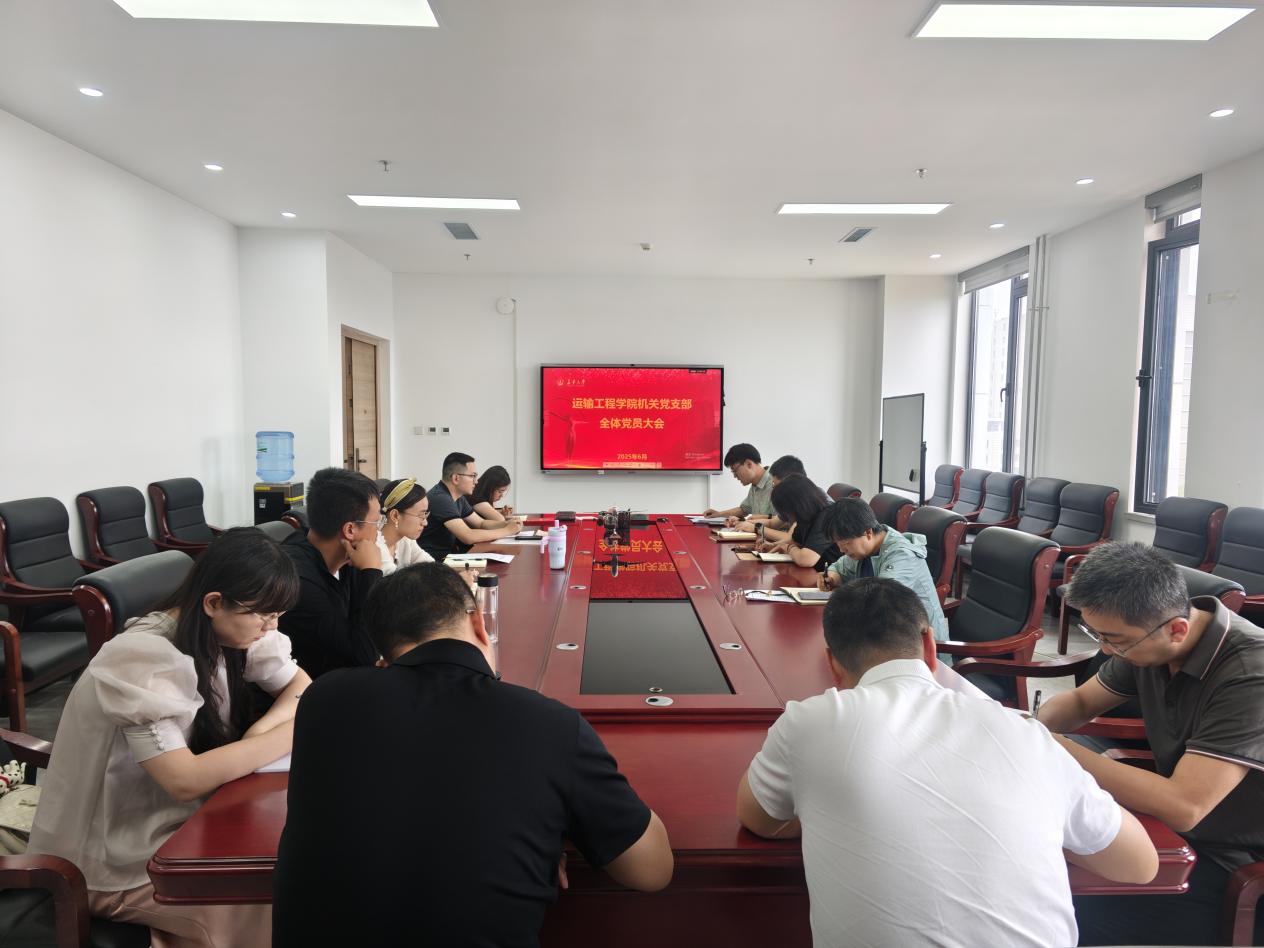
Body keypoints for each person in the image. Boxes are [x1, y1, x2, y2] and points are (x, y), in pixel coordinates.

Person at [736, 577, 1158, 948]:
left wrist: (827, 807)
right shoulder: (1025, 733)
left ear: (832, 664)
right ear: (929, 645)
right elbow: (1140, 864)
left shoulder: (809, 722)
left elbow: (759, 819)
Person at [274, 563, 673, 946]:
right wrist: (547, 828)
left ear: (382, 658)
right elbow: (652, 871)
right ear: (481, 624)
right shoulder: (549, 724)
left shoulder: (324, 700)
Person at [28, 528, 307, 948]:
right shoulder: (142, 657)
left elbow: (300, 687)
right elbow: (183, 779)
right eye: (264, 615)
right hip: (115, 858)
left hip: (179, 823)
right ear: (214, 603)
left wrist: (262, 732)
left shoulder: (232, 631)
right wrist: (288, 733)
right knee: (271, 900)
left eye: (278, 616)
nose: (271, 628)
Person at [1034, 542, 1264, 946]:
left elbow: (1185, 806)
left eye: (1115, 640)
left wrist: (1057, 747)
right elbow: (1081, 702)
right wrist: (1031, 729)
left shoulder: (1250, 674)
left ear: (1177, 630)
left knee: (1055, 909)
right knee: (1034, 862)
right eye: (1098, 635)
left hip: (1233, 864)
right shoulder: (1149, 640)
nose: (1107, 650)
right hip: (1177, 832)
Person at [278, 466, 384, 677]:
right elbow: (364, 655)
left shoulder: (348, 556)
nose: (379, 529)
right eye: (376, 521)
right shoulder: (298, 582)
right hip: (311, 688)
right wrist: (371, 572)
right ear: (350, 529)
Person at [817, 497, 949, 642]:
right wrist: (831, 578)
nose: (842, 550)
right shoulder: (865, 549)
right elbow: (838, 568)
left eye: (846, 543)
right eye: (838, 544)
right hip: (886, 632)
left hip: (922, 642)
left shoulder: (902, 555)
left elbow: (881, 601)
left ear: (868, 533)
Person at [418, 453, 525, 561]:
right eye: (472, 476)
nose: (476, 481)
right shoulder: (440, 498)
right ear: (456, 478)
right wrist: (507, 530)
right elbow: (468, 536)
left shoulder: (458, 497)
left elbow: (481, 523)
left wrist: (507, 524)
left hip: (448, 558)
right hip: (433, 563)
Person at [755, 475, 839, 570]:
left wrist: (788, 548)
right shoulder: (806, 515)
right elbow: (796, 540)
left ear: (796, 505)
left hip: (827, 575)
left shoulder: (826, 516)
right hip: (812, 571)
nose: (787, 517)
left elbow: (805, 560)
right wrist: (774, 545)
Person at [702, 443, 773, 526]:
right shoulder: (755, 485)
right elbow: (743, 510)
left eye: (735, 471)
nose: (735, 476)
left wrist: (747, 523)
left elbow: (780, 521)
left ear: (749, 464)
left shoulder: (775, 482)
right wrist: (719, 514)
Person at [375, 477, 435, 575]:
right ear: (395, 516)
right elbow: (393, 581)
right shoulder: (375, 545)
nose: (425, 523)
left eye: (425, 514)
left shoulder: (405, 539)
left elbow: (431, 567)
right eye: (421, 515)